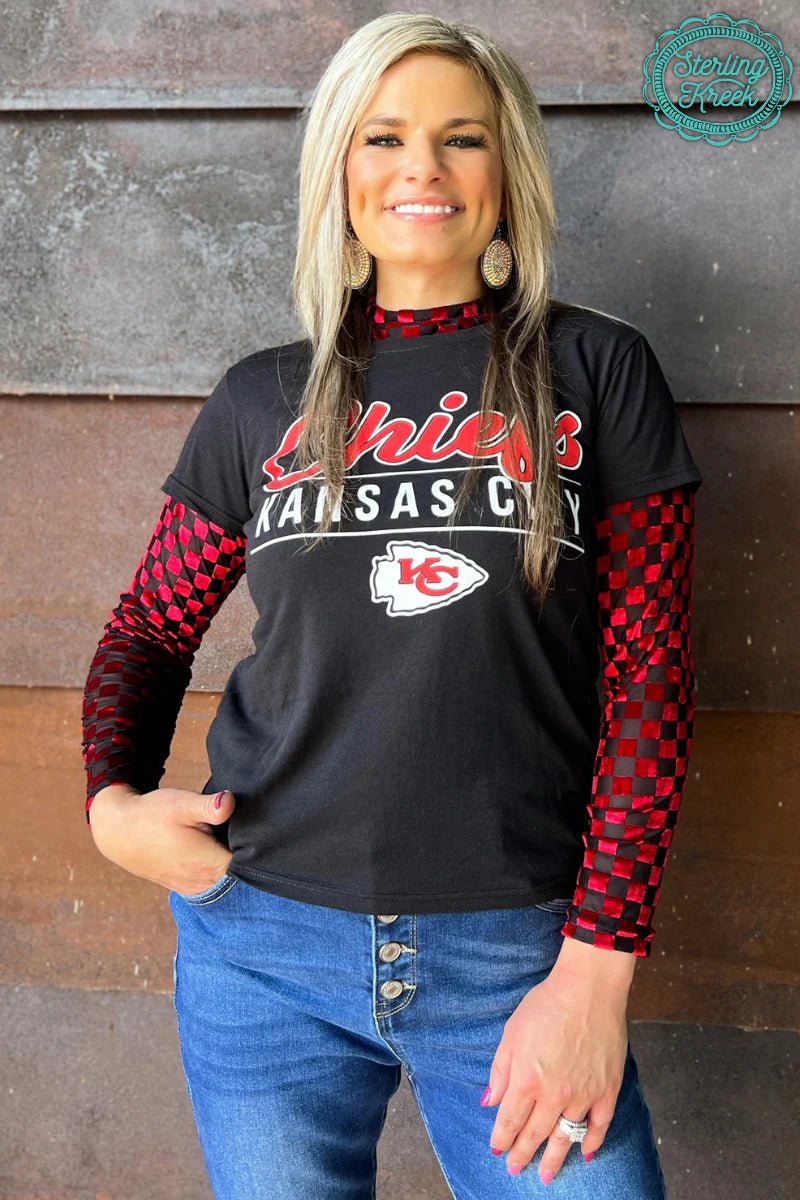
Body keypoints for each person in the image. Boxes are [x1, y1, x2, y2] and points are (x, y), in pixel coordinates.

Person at [81, 13, 702, 1199]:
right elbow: (149, 630)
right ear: (340, 170)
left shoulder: (594, 373)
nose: (422, 167)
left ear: (506, 173)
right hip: (260, 940)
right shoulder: (262, 397)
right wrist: (111, 803)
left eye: (461, 138)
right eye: (383, 137)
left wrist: (595, 972)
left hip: (516, 952)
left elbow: (648, 684)